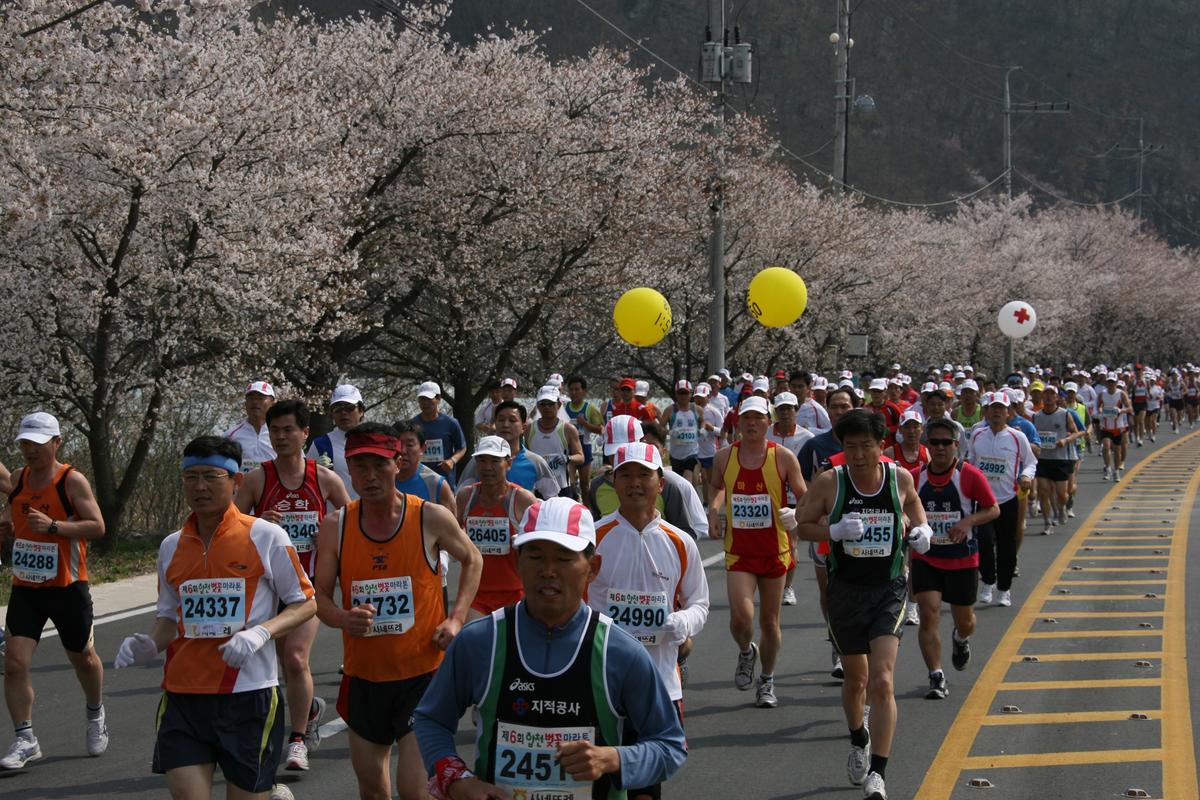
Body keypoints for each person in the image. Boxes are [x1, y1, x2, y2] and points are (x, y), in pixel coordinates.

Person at [411, 497, 687, 800]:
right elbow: (430, 718)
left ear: (593, 568)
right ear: (517, 562)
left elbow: (669, 745)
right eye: (535, 556)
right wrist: (457, 780)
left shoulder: (620, 652)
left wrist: (613, 759)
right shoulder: (480, 641)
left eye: (564, 557)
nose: (548, 571)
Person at [114, 435, 316, 799]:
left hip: (247, 696)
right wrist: (149, 644)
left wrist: (261, 634)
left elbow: (305, 603)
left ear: (236, 481)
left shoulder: (266, 536)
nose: (200, 487)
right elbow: (167, 616)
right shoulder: (171, 545)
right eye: (191, 477)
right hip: (183, 696)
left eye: (211, 476)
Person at [312, 423, 482, 800]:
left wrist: (455, 618)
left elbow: (473, 559)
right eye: (360, 467)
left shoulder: (429, 517)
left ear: (398, 462)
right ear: (349, 469)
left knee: (414, 790)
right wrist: (342, 618)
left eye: (379, 465)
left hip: (421, 675)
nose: (370, 476)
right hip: (364, 676)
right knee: (373, 790)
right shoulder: (335, 526)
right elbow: (319, 596)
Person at [794, 409, 932, 800]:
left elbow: (916, 509)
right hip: (845, 591)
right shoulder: (830, 483)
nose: (858, 455)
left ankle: (878, 773)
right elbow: (802, 524)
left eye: (866, 446)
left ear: (881, 446)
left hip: (888, 588)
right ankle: (859, 738)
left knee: (882, 680)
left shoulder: (898, 478)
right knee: (856, 680)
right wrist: (832, 530)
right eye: (850, 447)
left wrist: (923, 531)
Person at [234, 400, 351, 771]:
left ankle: (297, 739)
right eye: (275, 430)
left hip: (309, 586)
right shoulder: (257, 479)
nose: (281, 437)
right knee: (284, 663)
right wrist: (256, 522)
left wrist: (328, 532)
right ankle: (311, 707)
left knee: (297, 659)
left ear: (305, 434)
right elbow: (230, 527)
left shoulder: (325, 479)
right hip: (270, 588)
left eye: (289, 430)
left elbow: (352, 523)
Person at [592, 442, 708, 800]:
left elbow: (700, 603)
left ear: (661, 482)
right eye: (625, 474)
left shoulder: (680, 542)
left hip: (659, 681)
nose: (634, 482)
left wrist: (683, 623)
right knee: (599, 780)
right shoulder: (593, 537)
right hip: (601, 682)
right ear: (614, 482)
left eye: (644, 474)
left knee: (646, 783)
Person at [1, 412, 108, 770]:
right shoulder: (18, 479)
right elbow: (12, 513)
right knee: (14, 662)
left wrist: (54, 527)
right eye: (25, 443)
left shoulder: (71, 481)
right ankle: (25, 738)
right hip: (26, 587)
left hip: (67, 586)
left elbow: (97, 526)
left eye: (38, 443)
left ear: (56, 442)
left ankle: (95, 712)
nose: (30, 449)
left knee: (83, 659)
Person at [709, 396, 807, 708]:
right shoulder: (725, 457)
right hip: (739, 551)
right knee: (740, 619)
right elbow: (717, 486)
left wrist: (795, 512)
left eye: (758, 418)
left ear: (769, 422)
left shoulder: (784, 457)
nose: (752, 423)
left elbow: (807, 496)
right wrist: (713, 511)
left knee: (770, 622)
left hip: (774, 551)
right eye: (746, 418)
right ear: (739, 422)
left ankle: (767, 679)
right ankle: (746, 651)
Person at [912, 418, 999, 700]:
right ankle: (936, 675)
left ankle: (960, 639)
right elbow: (902, 507)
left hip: (962, 559)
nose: (939, 448)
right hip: (927, 557)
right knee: (928, 612)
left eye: (945, 443)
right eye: (934, 442)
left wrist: (968, 522)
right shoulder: (915, 477)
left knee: (966, 621)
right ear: (926, 445)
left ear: (956, 445)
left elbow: (993, 509)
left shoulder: (970, 475)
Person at [797, 386, 857, 680]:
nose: (839, 411)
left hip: (861, 534)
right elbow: (801, 486)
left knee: (857, 588)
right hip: (825, 532)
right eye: (834, 406)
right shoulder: (814, 446)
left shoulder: (865, 445)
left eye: (845, 406)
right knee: (830, 591)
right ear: (827, 409)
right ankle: (838, 645)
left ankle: (858, 646)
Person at [966, 393, 1037, 607]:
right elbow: (970, 463)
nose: (997, 411)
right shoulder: (978, 435)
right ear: (986, 411)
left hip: (1008, 499)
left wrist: (1026, 476)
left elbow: (1031, 462)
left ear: (1008, 412)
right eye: (993, 408)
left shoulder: (1017, 437)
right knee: (985, 542)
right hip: (984, 501)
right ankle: (988, 582)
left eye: (1001, 408)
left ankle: (1004, 589)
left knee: (1007, 545)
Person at [454, 436, 536, 620]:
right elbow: (451, 537)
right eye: (482, 460)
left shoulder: (523, 499)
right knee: (477, 645)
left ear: (508, 462)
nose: (487, 467)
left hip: (515, 593)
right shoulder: (466, 497)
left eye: (494, 461)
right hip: (475, 592)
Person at [766, 392, 814, 607]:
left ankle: (788, 587)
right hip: (768, 497)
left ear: (796, 410)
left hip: (795, 497)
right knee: (769, 543)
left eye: (789, 409)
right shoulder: (765, 434)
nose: (785, 413)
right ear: (776, 411)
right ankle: (771, 583)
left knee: (791, 542)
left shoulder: (807, 438)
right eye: (781, 409)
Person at [459, 401, 560, 499]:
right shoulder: (479, 461)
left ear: (523, 427)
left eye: (512, 420)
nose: (506, 425)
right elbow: (460, 496)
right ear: (495, 424)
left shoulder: (536, 462)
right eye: (501, 420)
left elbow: (553, 499)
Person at [1032, 389, 1082, 533]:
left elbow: (1076, 432)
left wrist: (1065, 440)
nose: (1048, 397)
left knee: (1062, 494)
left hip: (1061, 459)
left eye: (1052, 394)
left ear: (1056, 397)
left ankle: (1061, 508)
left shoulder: (1064, 414)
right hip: (1043, 459)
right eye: (1046, 394)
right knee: (1044, 491)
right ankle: (1047, 522)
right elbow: (1033, 436)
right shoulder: (1037, 416)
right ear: (1042, 396)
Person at [526, 385, 585, 498]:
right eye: (543, 404)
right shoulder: (529, 429)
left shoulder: (568, 429)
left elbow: (581, 457)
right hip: (537, 487)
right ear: (538, 406)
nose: (546, 407)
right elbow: (526, 456)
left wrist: (568, 458)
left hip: (562, 487)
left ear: (558, 405)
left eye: (550, 403)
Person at [308, 384, 366, 500]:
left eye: (349, 408)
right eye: (337, 408)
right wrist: (315, 471)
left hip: (371, 514)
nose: (343, 413)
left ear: (361, 411)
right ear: (332, 414)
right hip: (336, 515)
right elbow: (307, 483)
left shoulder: (375, 440)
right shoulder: (321, 445)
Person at [412, 381, 468, 489]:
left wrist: (452, 461)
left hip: (445, 481)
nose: (425, 403)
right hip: (419, 480)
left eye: (429, 399)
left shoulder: (451, 423)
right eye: (422, 399)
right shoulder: (412, 424)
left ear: (438, 398)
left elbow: (462, 448)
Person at [225, 381, 277, 474]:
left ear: (272, 403)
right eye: (251, 398)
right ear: (245, 403)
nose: (255, 402)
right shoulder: (230, 436)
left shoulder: (282, 434)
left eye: (261, 398)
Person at [565, 375, 604, 497]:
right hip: (569, 449)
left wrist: (584, 424)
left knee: (585, 485)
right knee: (569, 483)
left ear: (584, 391)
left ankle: (588, 510)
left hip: (585, 448)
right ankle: (574, 503)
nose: (574, 392)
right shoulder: (564, 408)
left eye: (577, 389)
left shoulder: (590, 409)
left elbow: (600, 430)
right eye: (571, 389)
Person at [660, 380, 702, 484]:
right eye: (680, 393)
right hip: (676, 455)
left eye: (686, 393)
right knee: (678, 484)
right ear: (676, 394)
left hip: (692, 453)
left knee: (688, 479)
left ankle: (692, 499)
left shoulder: (697, 409)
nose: (683, 396)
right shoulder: (670, 410)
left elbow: (703, 422)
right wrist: (670, 432)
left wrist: (702, 431)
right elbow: (660, 428)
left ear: (691, 393)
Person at [1095, 373, 1132, 481]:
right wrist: (1101, 412)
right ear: (1106, 383)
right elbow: (1098, 408)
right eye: (1109, 382)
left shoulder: (1121, 394)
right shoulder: (1102, 394)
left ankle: (1116, 471)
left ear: (1116, 383)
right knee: (1106, 447)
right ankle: (1108, 469)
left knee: (1117, 450)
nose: (1111, 384)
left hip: (1118, 427)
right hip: (1106, 426)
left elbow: (1130, 408)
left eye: (1113, 382)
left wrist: (1121, 410)